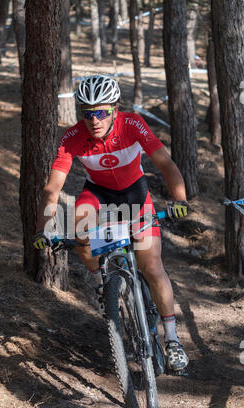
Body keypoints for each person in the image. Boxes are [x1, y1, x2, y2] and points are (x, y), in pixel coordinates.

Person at [33, 75, 189, 372]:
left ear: (115, 109)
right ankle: (101, 285)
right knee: (81, 231)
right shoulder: (73, 136)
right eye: (88, 113)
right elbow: (53, 187)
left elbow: (165, 164)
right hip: (99, 196)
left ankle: (171, 339)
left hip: (135, 195)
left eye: (102, 112)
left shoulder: (132, 124)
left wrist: (179, 200)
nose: (95, 120)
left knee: (152, 266)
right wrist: (45, 227)